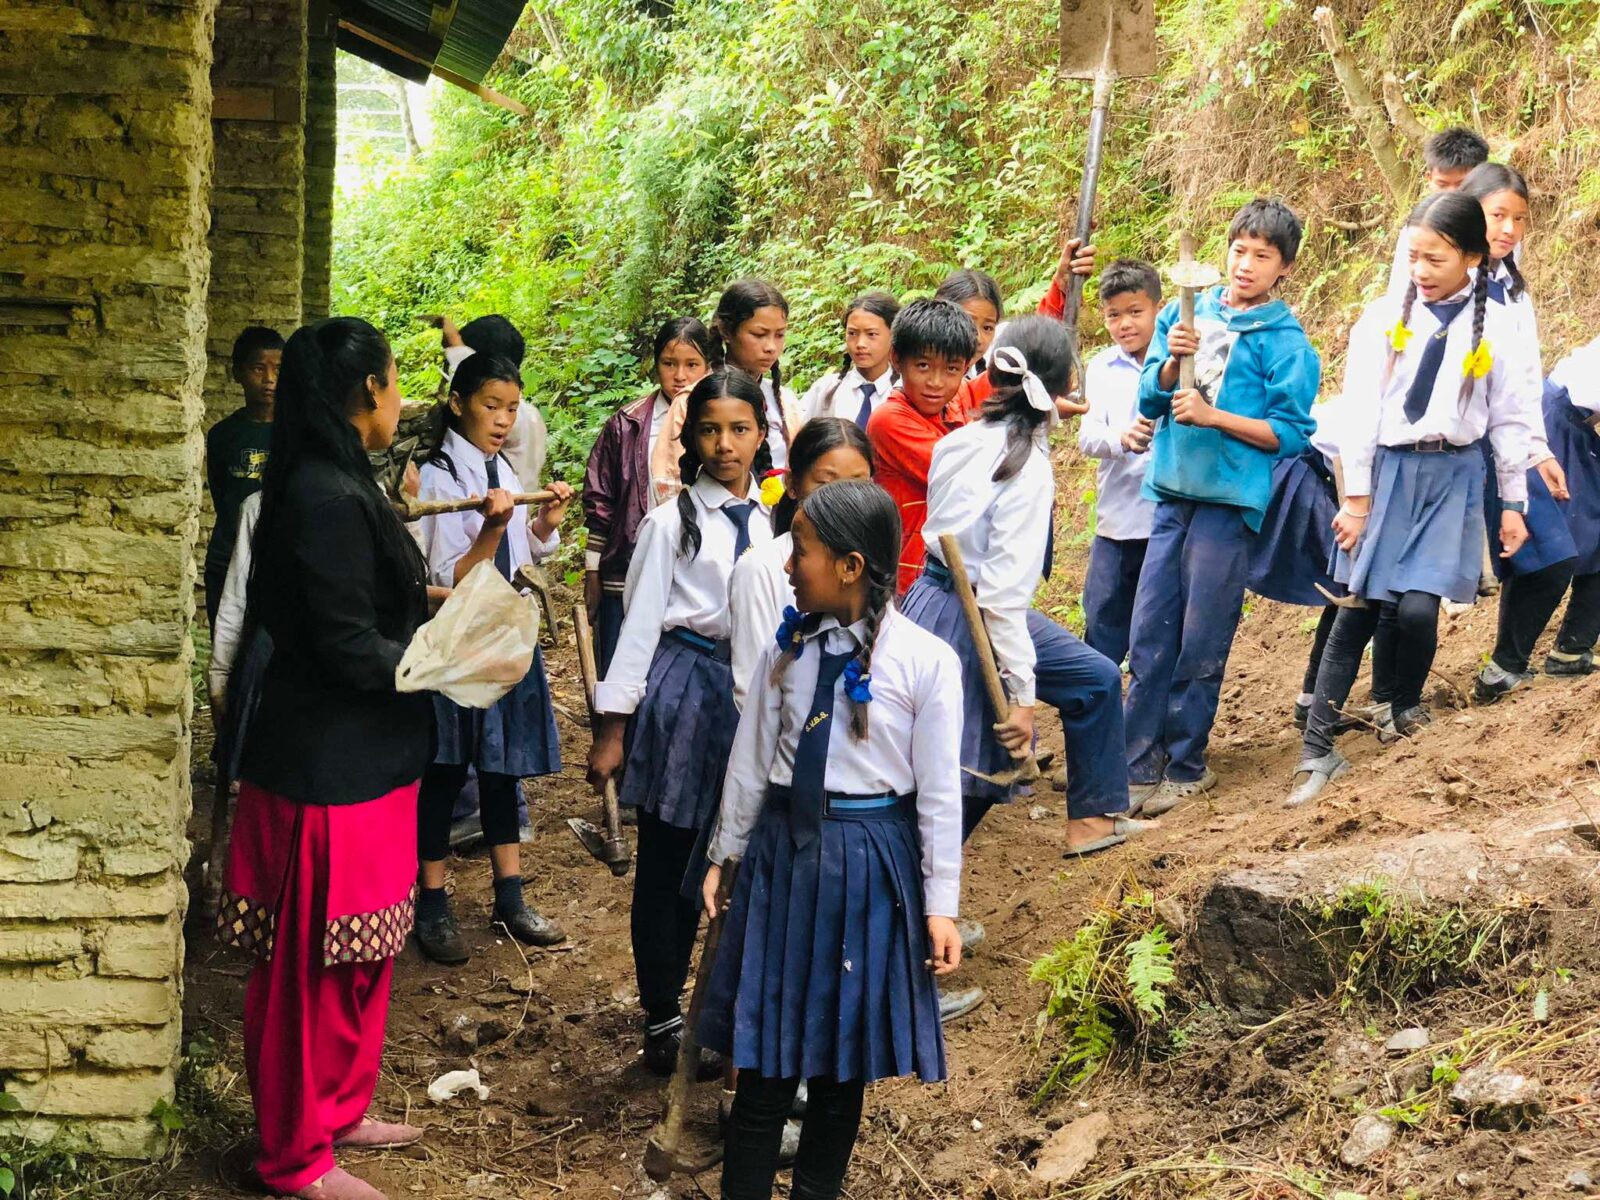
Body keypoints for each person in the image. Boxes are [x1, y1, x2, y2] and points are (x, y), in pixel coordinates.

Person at [699, 480, 963, 1200]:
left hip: (868, 866)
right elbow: (752, 760)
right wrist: (726, 853)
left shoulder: (926, 661)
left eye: (802, 551)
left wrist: (941, 904)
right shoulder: (787, 652)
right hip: (782, 859)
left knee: (841, 1071)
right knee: (764, 1065)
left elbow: (940, 795)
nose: (788, 566)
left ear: (850, 567)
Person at [218, 317, 432, 1200]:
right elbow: (346, 645)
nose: (400, 398)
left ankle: (337, 1111)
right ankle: (293, 1157)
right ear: (367, 390)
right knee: (309, 971)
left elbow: (358, 611)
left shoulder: (336, 481)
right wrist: (436, 660)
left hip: (364, 760)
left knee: (361, 952)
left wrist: (433, 621)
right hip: (323, 770)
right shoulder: (325, 496)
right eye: (395, 380)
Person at [1287, 192, 1539, 806]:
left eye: (1435, 259)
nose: (1421, 271)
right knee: (1357, 607)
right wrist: (1357, 500)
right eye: (1413, 258)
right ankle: (1316, 750)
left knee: (1421, 610)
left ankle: (1402, 705)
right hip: (1390, 472)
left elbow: (1511, 418)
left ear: (1473, 258)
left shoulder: (1500, 324)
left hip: (1455, 475)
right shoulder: (1382, 319)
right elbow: (1360, 414)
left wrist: (1513, 503)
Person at [586, 370, 774, 1074]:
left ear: (761, 433)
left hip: (750, 695)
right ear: (689, 438)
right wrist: (613, 730)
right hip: (686, 691)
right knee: (670, 859)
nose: (725, 445)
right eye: (710, 430)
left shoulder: (773, 520)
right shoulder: (670, 524)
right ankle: (663, 1013)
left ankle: (720, 1009)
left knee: (730, 851)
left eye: (739, 429)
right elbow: (638, 628)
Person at [905, 317, 1138, 857]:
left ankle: (1093, 820)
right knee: (972, 768)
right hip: (971, 620)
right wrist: (1023, 698)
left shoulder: (961, 440)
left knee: (1096, 678)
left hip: (931, 601)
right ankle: (910, 891)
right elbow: (1002, 601)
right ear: (1062, 387)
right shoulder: (1026, 468)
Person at [1125, 198, 1320, 814]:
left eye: (1263, 256)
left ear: (1284, 268)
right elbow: (1148, 398)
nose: (1246, 265)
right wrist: (1167, 365)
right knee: (1150, 630)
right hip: (1171, 491)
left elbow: (1289, 434)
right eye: (1240, 250)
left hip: (1229, 503)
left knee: (1201, 634)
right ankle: (1137, 762)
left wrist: (1214, 417)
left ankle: (1187, 764)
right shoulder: (1186, 314)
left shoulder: (1285, 343)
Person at [410, 354, 575, 964]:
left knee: (503, 768)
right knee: (446, 770)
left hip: (506, 635)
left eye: (511, 408)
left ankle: (511, 895)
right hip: (459, 643)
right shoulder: (439, 477)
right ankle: (433, 902)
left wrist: (543, 525)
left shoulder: (501, 468)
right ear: (458, 404)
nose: (503, 419)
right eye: (490, 406)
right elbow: (451, 577)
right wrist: (492, 529)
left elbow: (521, 556)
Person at [584, 317, 713, 673]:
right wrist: (593, 571)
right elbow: (601, 501)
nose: (680, 376)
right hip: (627, 568)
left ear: (709, 366)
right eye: (669, 364)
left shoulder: (718, 424)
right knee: (619, 667)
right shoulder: (628, 424)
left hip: (694, 573)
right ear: (655, 365)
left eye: (692, 365)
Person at [730, 418, 874, 709]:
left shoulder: (873, 562)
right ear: (792, 485)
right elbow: (753, 688)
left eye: (858, 483)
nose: (843, 499)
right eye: (826, 483)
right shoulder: (761, 568)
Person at [1076, 260, 1163, 666]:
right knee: (1103, 622)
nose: (1125, 324)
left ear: (1158, 308)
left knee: (1157, 627)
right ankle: (1101, 696)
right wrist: (1121, 439)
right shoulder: (1102, 368)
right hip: (1118, 521)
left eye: (1135, 312)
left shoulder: (1178, 363)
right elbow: (1087, 436)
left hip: (1167, 523)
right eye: (1114, 315)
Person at [865, 299, 977, 595]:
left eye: (951, 368)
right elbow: (965, 478)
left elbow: (1016, 369)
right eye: (923, 366)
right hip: (912, 580)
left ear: (966, 367)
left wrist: (1062, 286)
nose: (936, 382)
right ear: (896, 359)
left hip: (955, 573)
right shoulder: (889, 420)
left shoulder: (956, 402)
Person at [204, 326, 282, 632]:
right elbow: (221, 494)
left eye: (278, 369)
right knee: (227, 639)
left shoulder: (296, 433)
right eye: (258, 369)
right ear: (237, 372)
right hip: (227, 556)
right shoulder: (223, 435)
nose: (269, 379)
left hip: (277, 558)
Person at [436, 313, 551, 506]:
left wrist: (456, 346)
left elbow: (474, 377)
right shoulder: (532, 416)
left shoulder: (517, 418)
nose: (503, 420)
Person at [706, 280, 803, 469]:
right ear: (727, 332)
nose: (771, 347)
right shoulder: (693, 398)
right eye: (759, 334)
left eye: (779, 335)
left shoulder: (785, 402)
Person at [1386, 127, 1492, 295]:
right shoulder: (1415, 232)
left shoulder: (1499, 230)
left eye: (1462, 185)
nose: (1452, 194)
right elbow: (1398, 294)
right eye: (1442, 185)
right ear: (1429, 179)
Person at [798, 292, 900, 428]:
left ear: (893, 336)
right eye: (852, 333)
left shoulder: (904, 391)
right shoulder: (827, 390)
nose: (860, 344)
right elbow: (798, 433)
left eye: (871, 334)